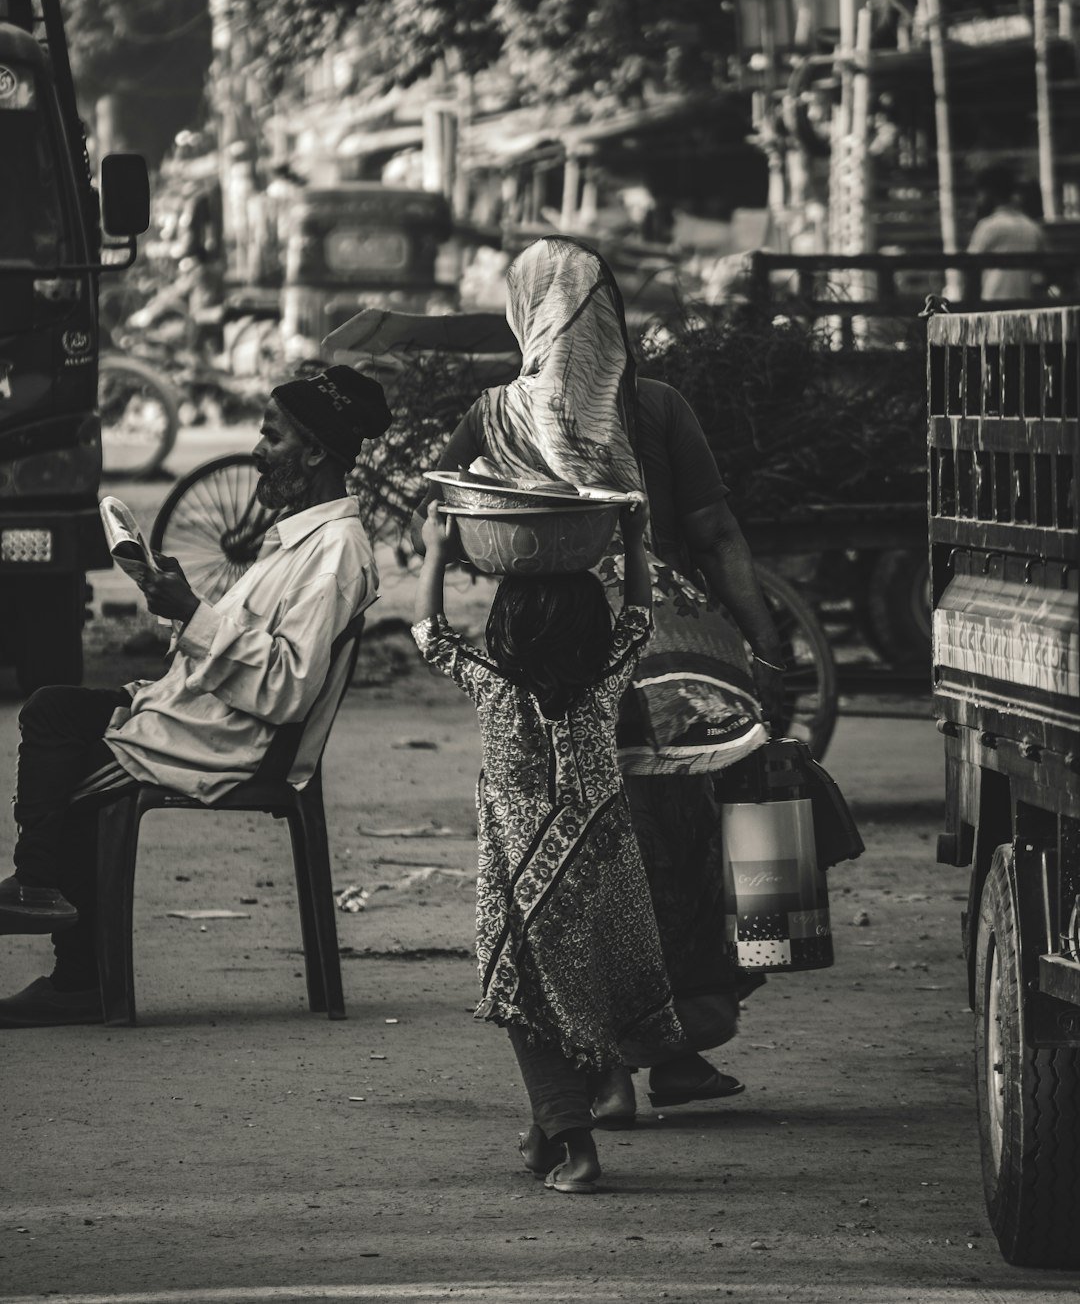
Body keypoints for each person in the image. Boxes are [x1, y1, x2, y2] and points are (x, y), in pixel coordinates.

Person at [424, 236, 787, 1126]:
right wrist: (768, 654)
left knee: (578, 855)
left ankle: (606, 1068)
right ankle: (679, 1045)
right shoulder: (659, 408)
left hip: (548, 658)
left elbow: (454, 521)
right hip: (676, 651)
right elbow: (719, 537)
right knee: (697, 845)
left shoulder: (491, 415)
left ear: (523, 315)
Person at [0, 366, 391, 1027]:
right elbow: (243, 646)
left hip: (231, 740)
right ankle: (55, 922)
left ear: (316, 452)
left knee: (62, 745)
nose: (258, 450)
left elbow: (289, 687)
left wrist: (197, 615)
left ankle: (67, 952)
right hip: (199, 717)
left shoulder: (334, 553)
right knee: (54, 712)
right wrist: (183, 606)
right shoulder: (300, 539)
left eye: (272, 435)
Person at [412, 496, 686, 1193]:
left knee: (529, 1011)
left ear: (505, 631)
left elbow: (430, 634)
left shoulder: (491, 688)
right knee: (575, 1002)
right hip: (604, 879)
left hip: (522, 888)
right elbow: (639, 619)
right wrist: (630, 537)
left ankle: (574, 1145)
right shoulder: (604, 683)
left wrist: (438, 553)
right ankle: (545, 1138)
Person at [967, 166, 1046, 301]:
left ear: (989, 193)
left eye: (980, 194)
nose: (979, 200)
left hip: (992, 301)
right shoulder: (1032, 227)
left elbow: (969, 267)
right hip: (1026, 303)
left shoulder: (988, 226)